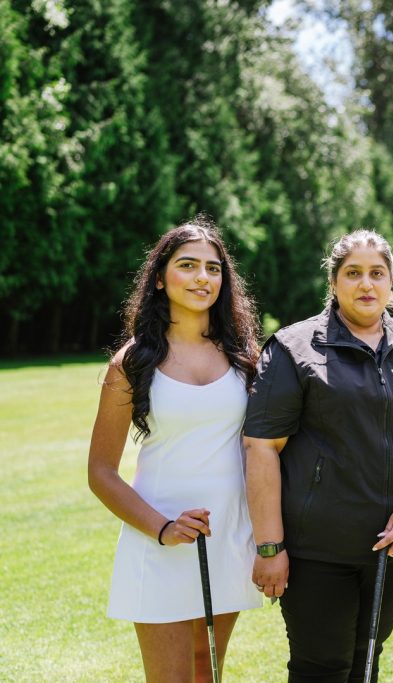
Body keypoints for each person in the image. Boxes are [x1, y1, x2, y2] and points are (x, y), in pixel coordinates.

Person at [243, 229, 393, 682]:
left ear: (391, 282)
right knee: (322, 669)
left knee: (366, 662)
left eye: (377, 273)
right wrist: (270, 546)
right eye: (353, 273)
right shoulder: (293, 349)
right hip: (317, 551)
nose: (366, 284)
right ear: (334, 282)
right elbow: (261, 448)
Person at [88, 218, 263, 681]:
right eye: (187, 265)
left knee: (209, 671)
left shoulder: (245, 357)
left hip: (228, 538)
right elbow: (100, 472)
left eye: (213, 268)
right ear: (160, 279)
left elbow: (263, 452)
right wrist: (163, 528)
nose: (202, 277)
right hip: (158, 540)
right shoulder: (131, 362)